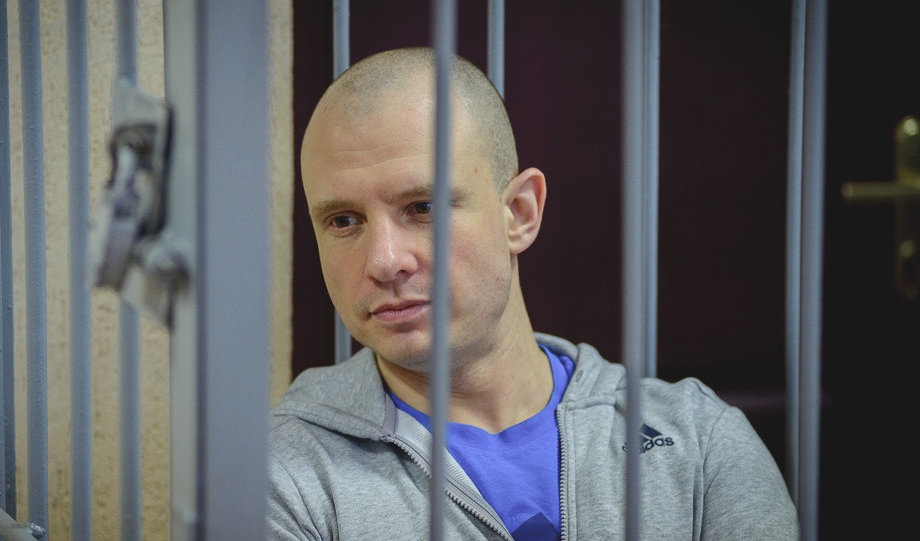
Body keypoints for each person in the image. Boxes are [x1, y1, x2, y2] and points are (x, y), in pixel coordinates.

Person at [269, 47, 798, 540]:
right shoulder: (280, 476)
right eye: (343, 220)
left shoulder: (698, 442)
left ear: (519, 214)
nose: (384, 261)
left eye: (422, 208)